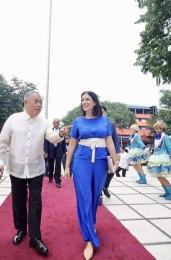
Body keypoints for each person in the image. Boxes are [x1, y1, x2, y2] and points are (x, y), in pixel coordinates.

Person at [0, 90, 68, 256]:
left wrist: (60, 134)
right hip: (16, 167)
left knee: (36, 202)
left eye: (41, 102)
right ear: (25, 102)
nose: (39, 105)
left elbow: (51, 137)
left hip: (36, 168)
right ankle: (21, 229)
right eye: (36, 101)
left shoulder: (43, 121)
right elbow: (2, 141)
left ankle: (35, 237)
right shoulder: (13, 119)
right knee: (18, 200)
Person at [64, 91, 119, 260]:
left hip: (101, 161)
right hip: (82, 160)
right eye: (82, 99)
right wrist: (67, 166)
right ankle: (89, 239)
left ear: (95, 102)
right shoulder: (77, 122)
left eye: (87, 99)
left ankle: (90, 225)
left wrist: (116, 161)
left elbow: (109, 141)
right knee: (85, 197)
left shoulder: (106, 122)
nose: (84, 102)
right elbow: (72, 146)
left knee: (95, 197)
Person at [147, 121, 171, 200]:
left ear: (162, 128)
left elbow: (169, 149)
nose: (156, 130)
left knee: (161, 176)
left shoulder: (166, 137)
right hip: (156, 158)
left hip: (163, 158)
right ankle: (167, 191)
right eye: (156, 129)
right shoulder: (157, 137)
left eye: (158, 128)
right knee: (158, 176)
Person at [99, 106, 120, 204]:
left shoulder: (111, 124)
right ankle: (99, 195)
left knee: (112, 171)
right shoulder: (94, 122)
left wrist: (118, 152)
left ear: (106, 112)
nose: (101, 113)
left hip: (110, 152)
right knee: (100, 173)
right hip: (99, 152)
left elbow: (115, 139)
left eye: (102, 112)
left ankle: (105, 187)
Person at [44, 118, 67, 188]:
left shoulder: (62, 130)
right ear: (53, 123)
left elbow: (64, 141)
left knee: (58, 166)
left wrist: (64, 151)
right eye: (55, 122)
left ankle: (58, 181)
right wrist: (46, 151)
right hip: (51, 150)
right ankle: (50, 176)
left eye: (58, 122)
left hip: (59, 150)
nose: (57, 124)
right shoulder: (49, 131)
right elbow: (46, 141)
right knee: (51, 166)